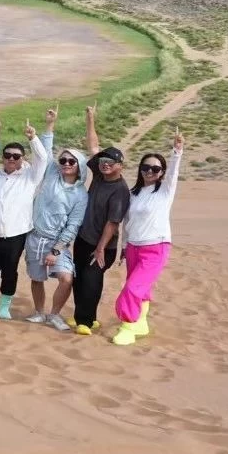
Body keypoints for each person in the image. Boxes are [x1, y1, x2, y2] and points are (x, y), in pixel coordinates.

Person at [0, 112, 52, 320]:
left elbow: (43, 158)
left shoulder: (29, 177)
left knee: (9, 271)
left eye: (16, 156)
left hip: (15, 234)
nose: (10, 159)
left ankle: (4, 306)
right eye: (7, 155)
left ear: (22, 159)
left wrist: (32, 137)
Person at [112, 129, 184, 346]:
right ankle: (141, 321)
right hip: (134, 247)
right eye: (145, 167)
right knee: (140, 288)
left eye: (155, 168)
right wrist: (124, 247)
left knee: (132, 288)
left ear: (161, 172)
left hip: (156, 246)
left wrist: (177, 151)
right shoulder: (133, 194)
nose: (150, 171)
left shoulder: (164, 191)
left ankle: (127, 326)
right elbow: (127, 224)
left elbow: (173, 174)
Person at [23, 122, 88, 332]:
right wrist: (49, 126)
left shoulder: (80, 194)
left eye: (72, 161)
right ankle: (39, 312)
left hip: (56, 241)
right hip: (34, 237)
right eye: (64, 160)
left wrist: (57, 249)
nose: (66, 164)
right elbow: (45, 152)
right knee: (36, 277)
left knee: (66, 278)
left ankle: (55, 314)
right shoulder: (51, 173)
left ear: (79, 166)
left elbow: (73, 224)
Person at [73, 104, 131, 333]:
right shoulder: (99, 173)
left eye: (110, 162)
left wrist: (99, 248)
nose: (105, 164)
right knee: (79, 277)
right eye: (103, 161)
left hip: (103, 245)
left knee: (92, 280)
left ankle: (86, 322)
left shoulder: (120, 190)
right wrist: (90, 118)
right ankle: (83, 317)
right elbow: (93, 145)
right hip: (84, 237)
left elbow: (113, 223)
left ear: (120, 166)